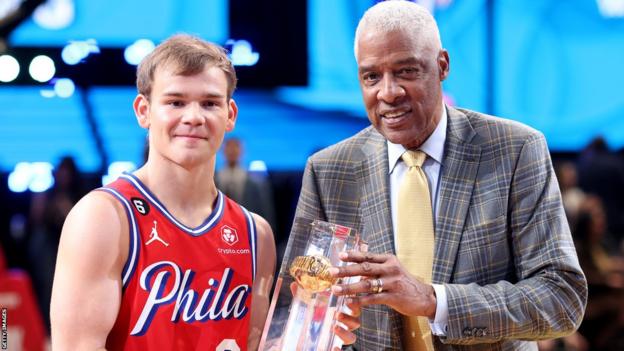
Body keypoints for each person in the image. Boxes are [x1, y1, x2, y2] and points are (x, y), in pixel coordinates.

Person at [282, 1, 587, 350]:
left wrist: (432, 300)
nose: (388, 92)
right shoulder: (328, 171)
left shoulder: (515, 150)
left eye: (406, 71)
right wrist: (323, 324)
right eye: (371, 76)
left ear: (442, 65)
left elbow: (562, 299)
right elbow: (300, 309)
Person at [50, 34, 279, 350]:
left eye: (210, 103)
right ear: (143, 111)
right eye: (175, 102)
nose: (193, 117)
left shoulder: (257, 236)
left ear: (230, 115)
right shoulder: (103, 218)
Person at [216, 137, 276, 230]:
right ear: (222, 151)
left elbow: (265, 212)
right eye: (228, 147)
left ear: (241, 151)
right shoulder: (214, 180)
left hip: (247, 229)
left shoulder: (255, 183)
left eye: (235, 147)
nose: (232, 151)